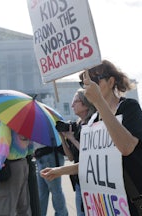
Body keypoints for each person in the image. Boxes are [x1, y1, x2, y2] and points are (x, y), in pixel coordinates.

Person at [40, 60, 142, 216]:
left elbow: (127, 148)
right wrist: (61, 170)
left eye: (94, 79)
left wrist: (99, 101)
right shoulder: (94, 119)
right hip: (111, 204)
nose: (88, 85)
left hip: (137, 200)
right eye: (84, 81)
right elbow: (95, 162)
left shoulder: (129, 107)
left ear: (111, 81)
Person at [58, 88, 96, 216]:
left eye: (75, 102)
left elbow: (90, 154)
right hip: (80, 181)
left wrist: (72, 139)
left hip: (93, 182)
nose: (72, 105)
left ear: (85, 104)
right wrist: (63, 138)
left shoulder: (94, 124)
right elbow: (70, 157)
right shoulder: (78, 126)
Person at [0, 121, 33, 215]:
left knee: (4, 207)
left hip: (10, 167)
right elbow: (30, 146)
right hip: (22, 164)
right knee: (22, 207)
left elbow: (4, 146)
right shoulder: (24, 122)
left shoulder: (6, 122)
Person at [33, 139, 68, 216]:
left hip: (49, 154)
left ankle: (61, 214)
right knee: (44, 192)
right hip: (43, 156)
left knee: (54, 190)